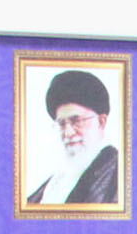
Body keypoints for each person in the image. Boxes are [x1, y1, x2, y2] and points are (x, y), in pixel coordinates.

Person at [27, 69, 119, 205]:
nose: (68, 132)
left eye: (76, 120)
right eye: (61, 123)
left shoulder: (120, 172)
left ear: (101, 122)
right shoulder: (57, 179)